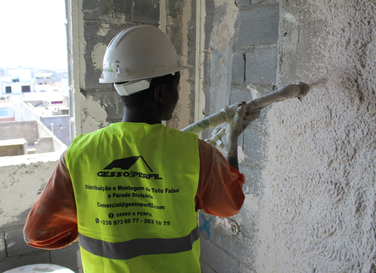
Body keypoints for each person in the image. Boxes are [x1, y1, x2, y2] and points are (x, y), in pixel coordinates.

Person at [24, 25, 251, 273]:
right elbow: (230, 204)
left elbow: (37, 234)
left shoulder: (78, 154)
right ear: (161, 92)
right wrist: (231, 144)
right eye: (176, 85)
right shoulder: (195, 153)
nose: (177, 93)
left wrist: (99, 224)